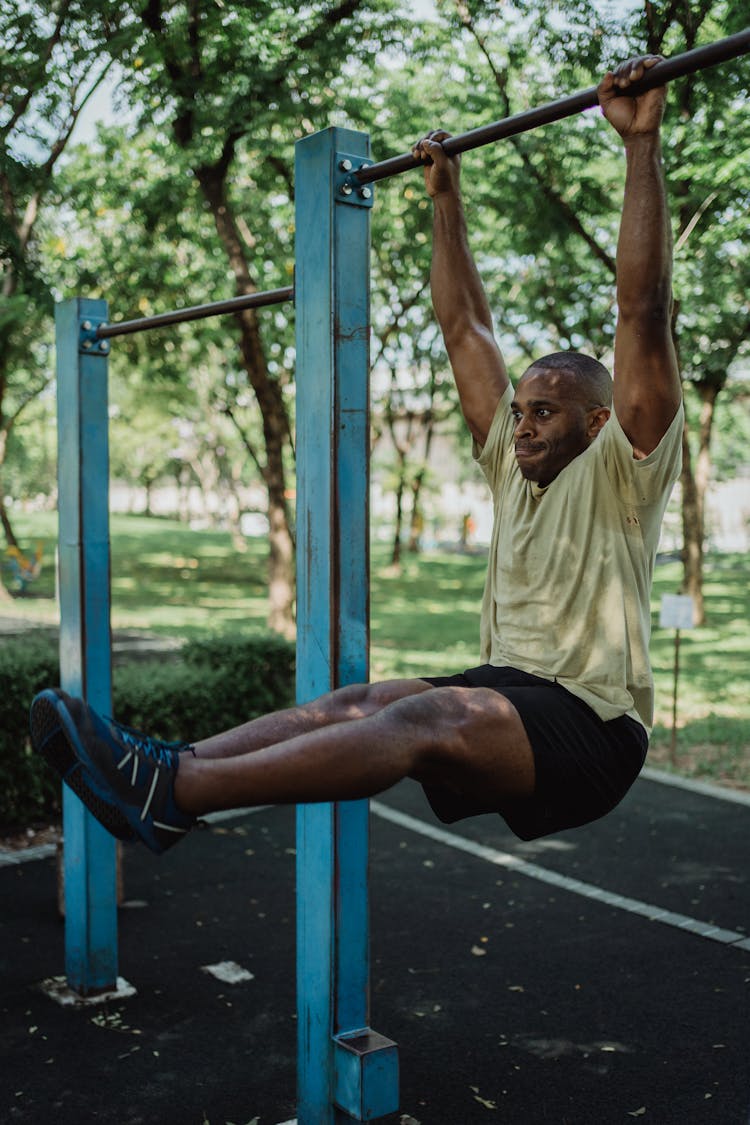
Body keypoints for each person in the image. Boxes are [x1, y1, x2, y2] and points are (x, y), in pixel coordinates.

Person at [30, 55, 683, 856]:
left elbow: (642, 310)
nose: (521, 426)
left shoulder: (626, 468)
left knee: (417, 718)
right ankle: (165, 769)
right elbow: (465, 332)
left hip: (596, 723)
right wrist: (447, 202)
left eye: (543, 413)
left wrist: (640, 145)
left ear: (598, 420)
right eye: (519, 412)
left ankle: (179, 793)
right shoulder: (513, 469)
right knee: (362, 698)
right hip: (516, 689)